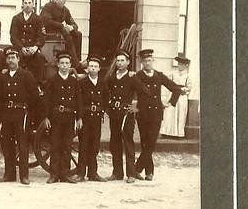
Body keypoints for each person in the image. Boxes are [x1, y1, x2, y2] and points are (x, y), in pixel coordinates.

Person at [133, 49, 186, 181]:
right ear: (141, 62)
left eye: (149, 60)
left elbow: (176, 89)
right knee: (145, 143)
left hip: (156, 114)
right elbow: (129, 92)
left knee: (151, 142)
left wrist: (170, 103)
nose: (147, 63)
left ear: (153, 61)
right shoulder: (137, 76)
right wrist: (133, 106)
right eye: (145, 61)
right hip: (142, 114)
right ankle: (149, 172)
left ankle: (136, 168)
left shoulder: (159, 75)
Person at [0, 46, 40, 185]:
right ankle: (9, 174)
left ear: (18, 59)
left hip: (21, 114)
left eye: (13, 58)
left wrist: (26, 109)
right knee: (7, 145)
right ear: (6, 60)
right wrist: (0, 110)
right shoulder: (3, 77)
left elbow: (35, 96)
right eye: (9, 58)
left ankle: (24, 176)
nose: (11, 60)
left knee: (22, 145)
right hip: (6, 115)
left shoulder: (26, 75)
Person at [105, 50, 150, 183]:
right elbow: (105, 92)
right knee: (114, 143)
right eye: (118, 61)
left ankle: (131, 173)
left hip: (127, 114)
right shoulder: (112, 77)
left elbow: (145, 92)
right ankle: (117, 172)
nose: (119, 63)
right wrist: (108, 107)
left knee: (128, 142)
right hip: (114, 113)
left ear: (128, 62)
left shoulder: (132, 77)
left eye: (122, 60)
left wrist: (136, 107)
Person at [43, 53, 83, 184]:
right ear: (58, 65)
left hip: (69, 117)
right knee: (55, 145)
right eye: (62, 63)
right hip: (55, 117)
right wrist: (46, 117)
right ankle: (54, 174)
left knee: (67, 145)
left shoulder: (74, 81)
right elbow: (47, 100)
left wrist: (79, 118)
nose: (65, 66)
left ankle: (65, 174)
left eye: (67, 63)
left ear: (70, 65)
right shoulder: (52, 80)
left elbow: (79, 101)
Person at [75, 56, 108, 182]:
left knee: (95, 146)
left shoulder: (102, 83)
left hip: (97, 118)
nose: (93, 68)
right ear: (87, 69)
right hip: (86, 117)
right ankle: (81, 173)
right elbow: (79, 101)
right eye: (91, 66)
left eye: (95, 66)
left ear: (99, 69)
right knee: (84, 145)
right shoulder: (82, 83)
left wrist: (103, 110)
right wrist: (79, 118)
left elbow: (106, 98)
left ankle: (93, 173)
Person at [40, 0, 83, 66]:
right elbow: (47, 21)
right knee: (65, 32)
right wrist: (62, 26)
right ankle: (75, 63)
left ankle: (76, 58)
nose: (61, 0)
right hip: (47, 31)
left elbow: (74, 24)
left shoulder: (65, 10)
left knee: (78, 34)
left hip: (59, 31)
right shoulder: (48, 6)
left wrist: (72, 27)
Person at [9, 0, 46, 83]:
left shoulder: (38, 19)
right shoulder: (16, 18)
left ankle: (38, 84)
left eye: (29, 3)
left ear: (33, 4)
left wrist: (35, 47)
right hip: (20, 48)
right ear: (22, 4)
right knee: (15, 58)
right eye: (25, 3)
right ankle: (16, 83)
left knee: (40, 57)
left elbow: (41, 36)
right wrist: (21, 48)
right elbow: (13, 37)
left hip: (33, 48)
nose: (27, 5)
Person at [160, 55, 192, 138]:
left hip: (181, 96)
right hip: (173, 94)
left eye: (182, 64)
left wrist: (184, 90)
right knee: (169, 112)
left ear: (186, 65)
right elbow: (167, 82)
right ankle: (167, 132)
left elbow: (189, 88)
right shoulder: (173, 74)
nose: (180, 66)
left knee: (180, 113)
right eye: (179, 64)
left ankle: (179, 133)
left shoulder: (188, 76)